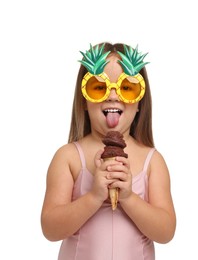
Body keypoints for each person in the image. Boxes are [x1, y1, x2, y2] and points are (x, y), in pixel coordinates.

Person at [41, 42, 176, 260]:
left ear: (140, 101)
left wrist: (129, 197)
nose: (113, 96)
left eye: (126, 88)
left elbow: (166, 231)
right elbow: (50, 228)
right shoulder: (68, 157)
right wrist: (94, 197)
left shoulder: (152, 160)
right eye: (98, 87)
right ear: (84, 100)